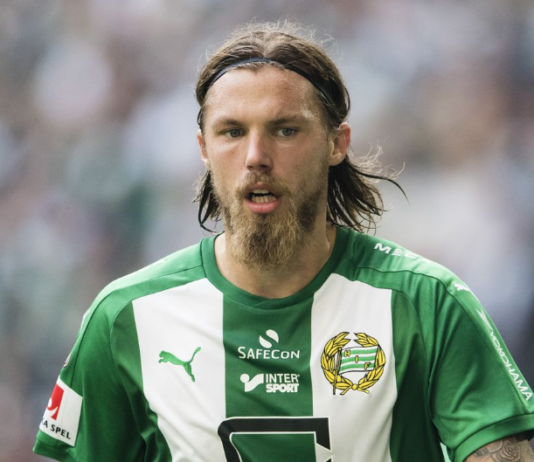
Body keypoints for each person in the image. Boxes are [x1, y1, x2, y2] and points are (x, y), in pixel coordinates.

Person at [34, 21, 534, 462]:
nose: (256, 155)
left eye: (285, 130)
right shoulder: (125, 318)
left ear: (337, 143)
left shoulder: (426, 304)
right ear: (204, 148)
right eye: (232, 132)